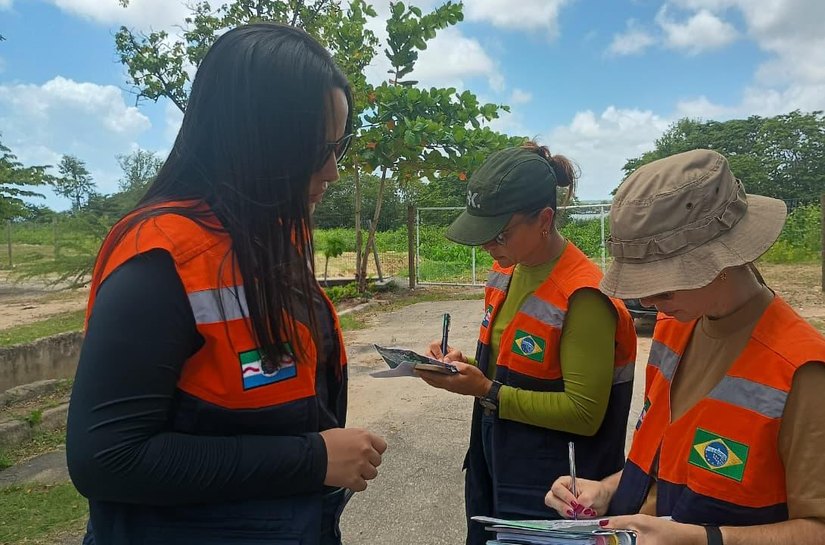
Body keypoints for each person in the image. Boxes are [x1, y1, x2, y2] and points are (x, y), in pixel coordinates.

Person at [66, 23, 387, 545]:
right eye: (315, 150)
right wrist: (314, 458)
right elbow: (107, 458)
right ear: (256, 142)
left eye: (339, 145)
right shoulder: (161, 260)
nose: (330, 171)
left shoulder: (267, 236)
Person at [545, 149, 825, 544]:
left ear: (722, 259)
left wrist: (704, 539)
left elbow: (817, 528)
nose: (647, 300)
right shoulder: (674, 326)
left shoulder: (802, 371)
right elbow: (669, 458)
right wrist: (607, 490)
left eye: (661, 284)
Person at [419, 142, 638, 545]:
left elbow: (584, 412)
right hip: (497, 465)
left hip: (557, 489)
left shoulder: (584, 296)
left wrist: (485, 390)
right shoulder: (506, 272)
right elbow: (511, 371)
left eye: (499, 234)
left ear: (545, 219)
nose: (488, 245)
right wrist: (460, 366)